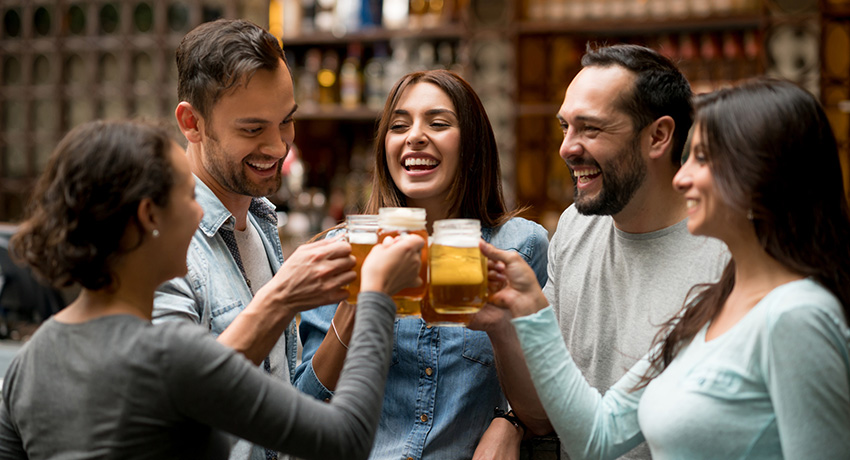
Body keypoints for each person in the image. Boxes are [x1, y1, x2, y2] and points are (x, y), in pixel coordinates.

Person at [0, 119, 427, 459]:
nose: (199, 212)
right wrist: (374, 293)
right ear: (150, 215)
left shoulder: (30, 360)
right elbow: (345, 439)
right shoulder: (172, 352)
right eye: (189, 196)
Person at [480, 77, 850, 458]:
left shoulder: (797, 317)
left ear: (764, 179)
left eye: (702, 158)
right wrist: (530, 310)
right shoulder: (714, 301)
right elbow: (597, 436)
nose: (681, 176)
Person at [471, 44, 728, 460]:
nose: (567, 148)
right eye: (565, 127)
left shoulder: (726, 257)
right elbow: (544, 416)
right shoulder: (576, 225)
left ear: (658, 137)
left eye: (590, 129)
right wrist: (503, 328)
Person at [294, 69, 549, 460]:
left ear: (472, 145)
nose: (414, 136)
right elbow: (303, 411)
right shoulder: (344, 247)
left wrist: (511, 421)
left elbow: (548, 399)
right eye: (399, 125)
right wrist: (357, 300)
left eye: (438, 123)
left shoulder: (518, 247)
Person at [153, 19, 354, 460]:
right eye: (252, 130)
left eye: (286, 122)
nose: (279, 147)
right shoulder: (160, 245)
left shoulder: (259, 220)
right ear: (192, 123)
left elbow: (277, 404)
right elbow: (170, 409)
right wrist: (281, 298)